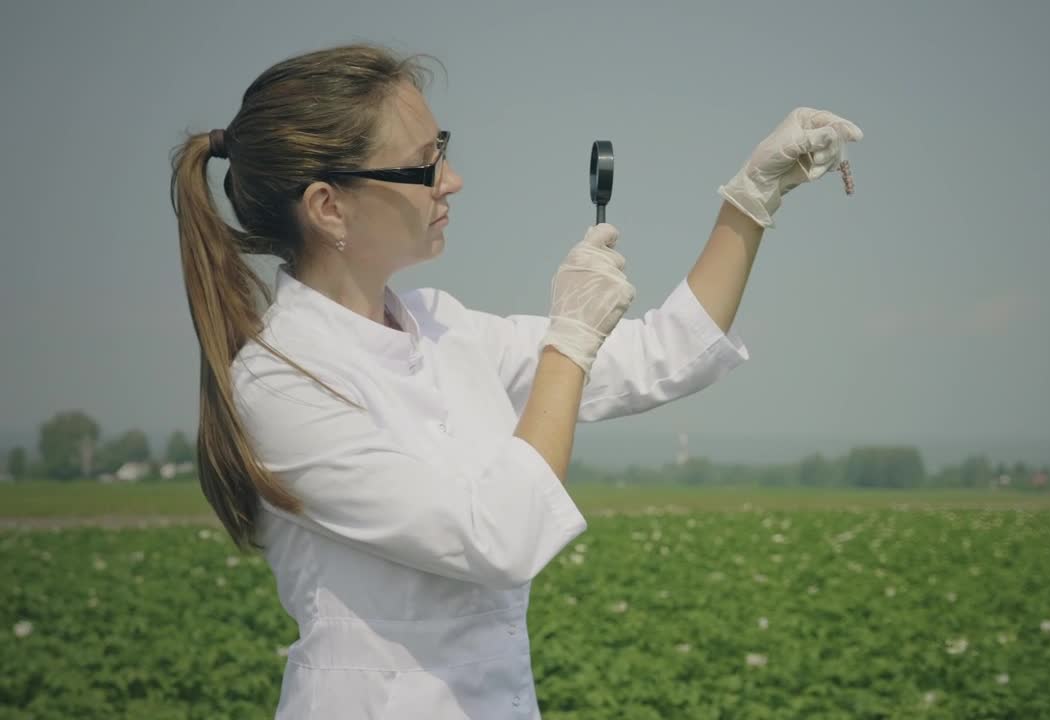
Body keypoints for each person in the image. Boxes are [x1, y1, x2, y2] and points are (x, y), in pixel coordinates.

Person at [169, 42, 861, 720]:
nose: (452, 179)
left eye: (441, 147)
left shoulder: (445, 329)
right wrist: (568, 340)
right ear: (328, 208)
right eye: (423, 164)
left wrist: (754, 194)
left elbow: (662, 350)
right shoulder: (283, 383)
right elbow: (497, 538)